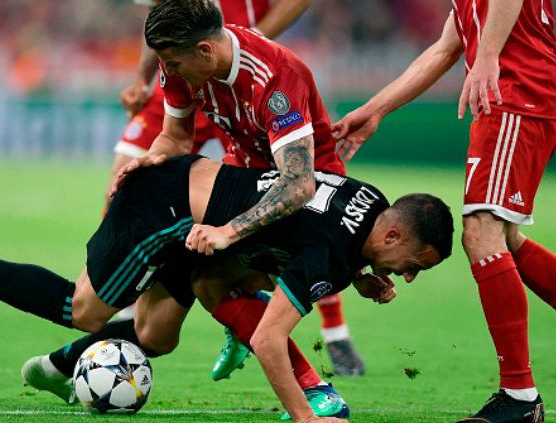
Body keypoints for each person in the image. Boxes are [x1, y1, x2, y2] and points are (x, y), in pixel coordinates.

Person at [0, 154, 454, 423]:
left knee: (156, 334)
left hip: (206, 225)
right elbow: (268, 338)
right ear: (395, 232)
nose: (406, 275)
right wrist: (306, 419)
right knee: (84, 309)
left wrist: (359, 276)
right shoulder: (334, 249)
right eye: (413, 264)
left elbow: (308, 227)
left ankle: (59, 367)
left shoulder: (371, 203)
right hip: (163, 211)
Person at [330, 1, 556, 422]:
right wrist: (377, 108)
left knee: (481, 233)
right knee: (504, 240)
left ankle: (519, 394)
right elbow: (444, 49)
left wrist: (489, 56)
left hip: (519, 91)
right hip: (510, 93)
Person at [110, 0, 365, 380]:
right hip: (243, 160)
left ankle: (322, 364)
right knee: (206, 272)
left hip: (309, 182)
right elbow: (175, 137)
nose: (169, 71)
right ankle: (246, 327)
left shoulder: (274, 75)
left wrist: (228, 231)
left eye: (170, 64)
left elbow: (299, 182)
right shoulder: (179, 60)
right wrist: (150, 152)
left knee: (281, 273)